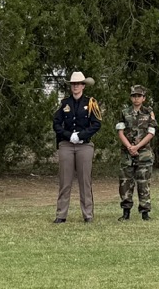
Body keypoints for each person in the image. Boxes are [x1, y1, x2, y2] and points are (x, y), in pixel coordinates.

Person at [53, 71, 102, 223]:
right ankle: (61, 215)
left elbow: (96, 124)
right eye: (73, 84)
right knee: (65, 180)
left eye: (78, 84)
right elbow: (56, 124)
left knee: (84, 181)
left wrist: (80, 135)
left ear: (83, 86)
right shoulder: (64, 103)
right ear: (71, 86)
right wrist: (69, 136)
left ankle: (88, 214)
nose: (76, 86)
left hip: (84, 145)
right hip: (66, 145)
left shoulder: (91, 103)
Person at [116, 84, 158, 221]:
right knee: (125, 183)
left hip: (144, 153)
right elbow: (120, 132)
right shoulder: (124, 112)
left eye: (139, 96)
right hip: (127, 154)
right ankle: (126, 212)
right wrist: (129, 147)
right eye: (134, 96)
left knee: (144, 183)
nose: (136, 98)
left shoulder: (148, 113)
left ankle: (145, 212)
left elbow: (151, 133)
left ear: (144, 98)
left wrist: (137, 147)